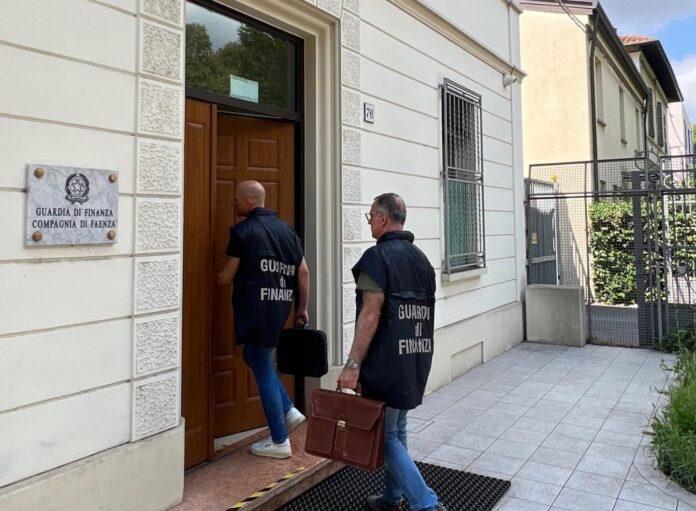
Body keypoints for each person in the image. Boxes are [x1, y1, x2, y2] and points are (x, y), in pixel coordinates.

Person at [337, 193, 447, 511]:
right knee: (397, 429)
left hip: (385, 363)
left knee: (384, 437)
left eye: (371, 216)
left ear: (384, 219)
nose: (370, 222)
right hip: (415, 357)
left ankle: (426, 504)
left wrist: (352, 365)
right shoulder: (422, 260)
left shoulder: (377, 258)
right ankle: (392, 499)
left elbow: (371, 313)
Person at [217, 180, 310, 459]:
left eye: (236, 199)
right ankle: (289, 410)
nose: (233, 203)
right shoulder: (288, 231)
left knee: (264, 367)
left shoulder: (244, 231)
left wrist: (213, 278)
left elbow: (226, 277)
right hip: (279, 307)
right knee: (256, 358)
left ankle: (280, 440)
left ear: (249, 202)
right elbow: (303, 272)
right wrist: (302, 308)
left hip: (255, 309)